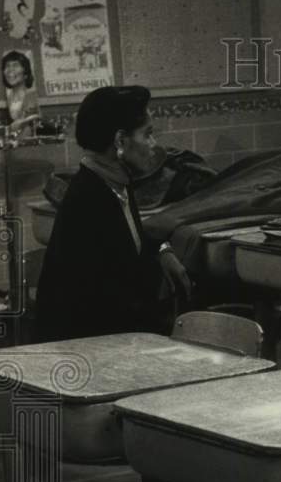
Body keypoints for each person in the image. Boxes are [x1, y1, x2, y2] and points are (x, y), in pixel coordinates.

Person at [35, 86, 191, 342]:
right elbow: (113, 295)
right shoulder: (88, 198)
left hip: (109, 337)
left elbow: (130, 242)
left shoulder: (113, 181)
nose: (153, 145)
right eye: (147, 134)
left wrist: (162, 250)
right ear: (120, 141)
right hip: (84, 349)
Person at [0, 50, 40, 125]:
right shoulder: (9, 97)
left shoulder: (30, 95)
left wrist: (21, 123)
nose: (10, 70)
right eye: (7, 66)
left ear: (25, 71)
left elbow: (34, 121)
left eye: (15, 65)